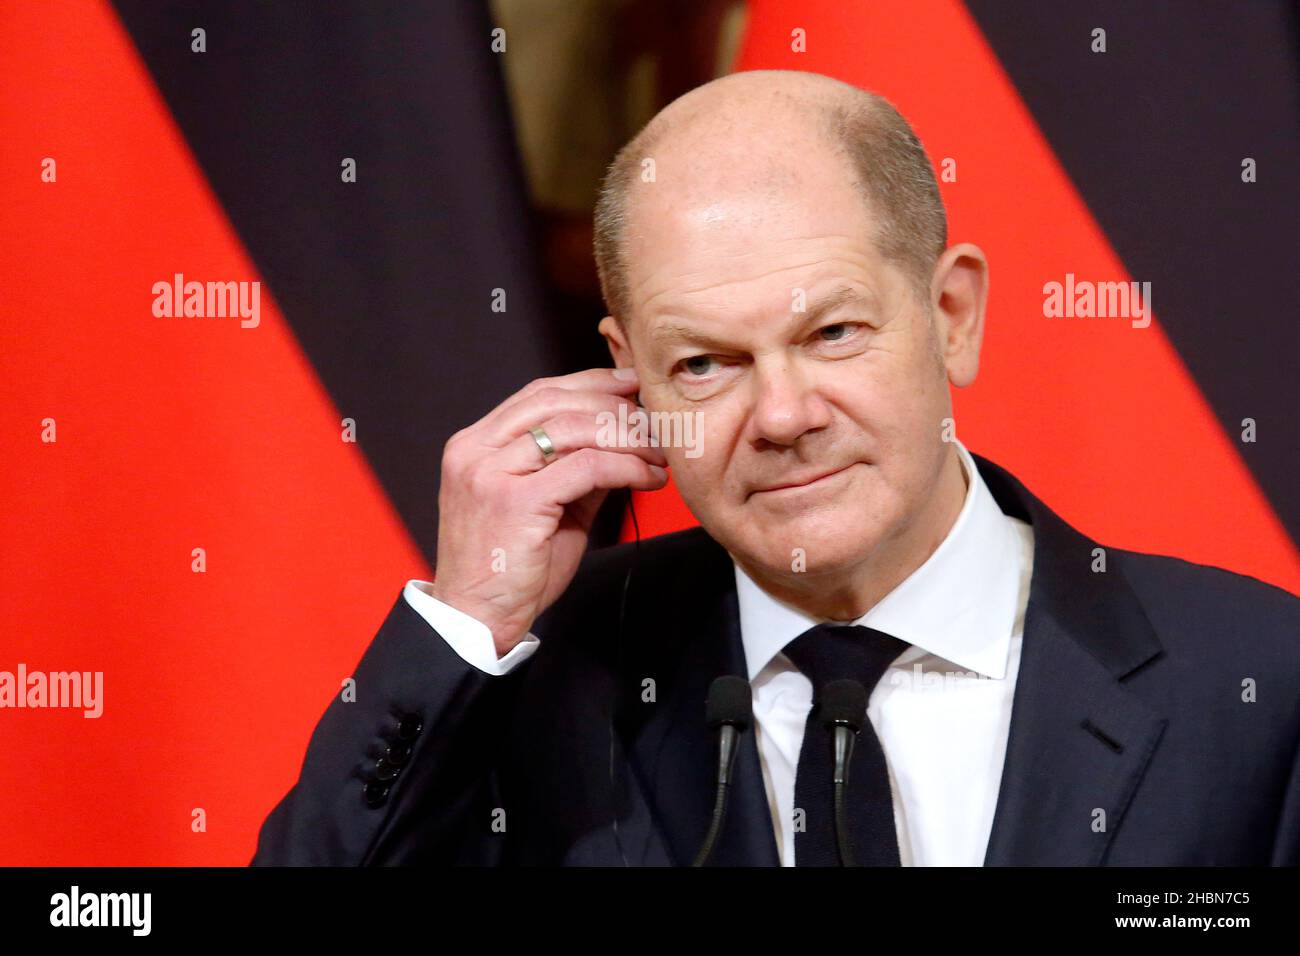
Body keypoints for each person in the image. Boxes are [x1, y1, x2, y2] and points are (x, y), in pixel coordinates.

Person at [252, 69, 1300, 866]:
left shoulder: (1256, 682)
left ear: (951, 317)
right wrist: (468, 617)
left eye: (834, 332)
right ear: (632, 380)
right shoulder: (541, 677)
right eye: (704, 363)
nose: (784, 415)